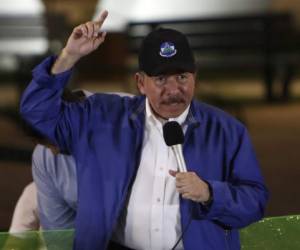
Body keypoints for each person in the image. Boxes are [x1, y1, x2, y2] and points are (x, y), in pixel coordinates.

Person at [20, 10, 269, 250]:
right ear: (140, 82)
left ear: (195, 77)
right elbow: (37, 112)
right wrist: (69, 56)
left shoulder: (227, 132)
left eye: (182, 77)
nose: (173, 90)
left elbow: (254, 203)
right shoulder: (103, 118)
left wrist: (210, 193)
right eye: (161, 79)